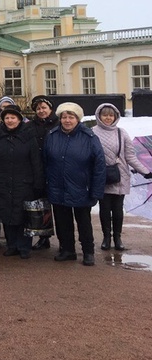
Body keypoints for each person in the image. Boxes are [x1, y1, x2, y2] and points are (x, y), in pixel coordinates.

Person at [45, 102, 106, 266]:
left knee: (84, 222)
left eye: (71, 117)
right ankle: (67, 250)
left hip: (81, 187)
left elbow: (99, 166)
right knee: (62, 221)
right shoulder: (52, 135)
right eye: (64, 117)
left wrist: (96, 191)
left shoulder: (90, 137)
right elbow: (46, 161)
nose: (67, 120)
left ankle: (88, 252)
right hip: (57, 186)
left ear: (78, 119)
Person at [0, 104, 43, 259]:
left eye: (13, 117)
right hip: (2, 182)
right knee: (6, 215)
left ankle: (24, 247)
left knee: (23, 216)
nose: (9, 120)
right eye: (7, 118)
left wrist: (38, 183)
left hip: (24, 183)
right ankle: (12, 245)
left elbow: (36, 161)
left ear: (19, 119)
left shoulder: (29, 135)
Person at [93, 103, 152, 251]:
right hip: (101, 176)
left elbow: (130, 156)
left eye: (111, 115)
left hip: (120, 176)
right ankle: (106, 238)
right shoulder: (92, 132)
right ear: (99, 116)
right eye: (105, 115)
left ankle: (117, 238)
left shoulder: (122, 133)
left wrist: (145, 171)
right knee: (104, 208)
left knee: (118, 209)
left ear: (116, 116)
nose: (108, 118)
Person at [28, 95, 59, 250]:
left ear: (50, 109)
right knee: (42, 206)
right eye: (38, 108)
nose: (41, 111)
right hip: (37, 169)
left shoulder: (59, 123)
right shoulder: (31, 126)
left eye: (44, 108)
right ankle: (44, 237)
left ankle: (65, 240)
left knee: (60, 208)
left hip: (56, 169)